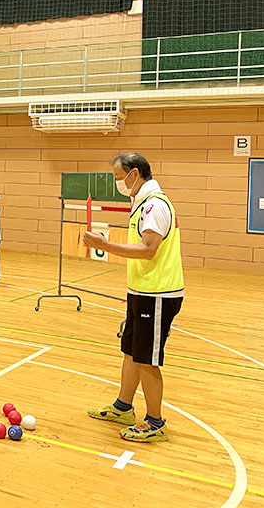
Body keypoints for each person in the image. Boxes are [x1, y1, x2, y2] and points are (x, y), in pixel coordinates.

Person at [83, 153, 184, 443]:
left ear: (134, 174)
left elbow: (149, 249)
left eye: (119, 177)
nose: (118, 183)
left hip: (158, 294)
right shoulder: (140, 201)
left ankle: (155, 422)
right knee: (130, 351)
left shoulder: (154, 206)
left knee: (146, 360)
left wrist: (106, 245)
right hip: (141, 291)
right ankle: (123, 407)